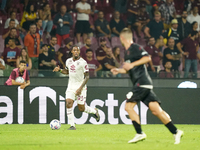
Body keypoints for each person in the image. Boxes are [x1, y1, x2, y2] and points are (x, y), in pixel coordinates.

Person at [111, 28, 183, 144]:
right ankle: (175, 131)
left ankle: (139, 133)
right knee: (156, 110)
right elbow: (131, 69)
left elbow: (147, 58)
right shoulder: (127, 52)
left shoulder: (135, 47)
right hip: (144, 84)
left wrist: (132, 64)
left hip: (141, 83)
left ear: (122, 38)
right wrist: (119, 71)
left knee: (128, 107)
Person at [53, 46, 100, 130]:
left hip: (80, 86)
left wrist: (80, 88)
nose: (76, 52)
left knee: (81, 108)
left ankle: (94, 111)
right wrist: (60, 70)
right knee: (68, 103)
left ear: (79, 52)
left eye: (77, 50)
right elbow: (67, 71)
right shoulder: (68, 61)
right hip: (71, 86)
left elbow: (87, 77)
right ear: (71, 51)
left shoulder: (83, 62)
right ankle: (72, 125)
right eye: (74, 50)